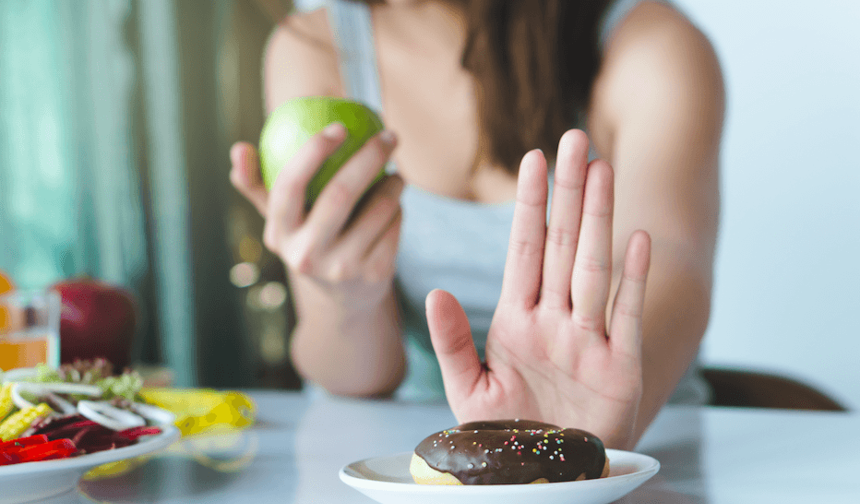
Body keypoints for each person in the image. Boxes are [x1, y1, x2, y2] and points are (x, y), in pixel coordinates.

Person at [230, 0, 723, 450]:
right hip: (418, 457)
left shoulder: (650, 43)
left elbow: (673, 263)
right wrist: (344, 301)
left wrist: (585, 424)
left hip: (638, 446)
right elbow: (362, 380)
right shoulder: (315, 48)